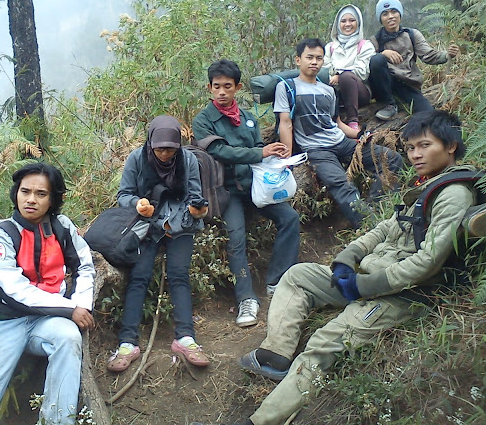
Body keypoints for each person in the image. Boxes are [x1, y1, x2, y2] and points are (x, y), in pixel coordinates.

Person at [193, 110, 476, 425]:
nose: (415, 154)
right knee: (298, 276)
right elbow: (386, 228)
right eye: (410, 148)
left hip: (404, 295)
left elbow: (428, 262)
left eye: (424, 145)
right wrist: (347, 256)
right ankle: (276, 354)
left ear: (451, 146)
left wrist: (365, 286)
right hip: (368, 275)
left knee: (324, 342)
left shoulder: (453, 195)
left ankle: (259, 421)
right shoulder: (429, 185)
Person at [0, 163, 95, 425]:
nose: (31, 199)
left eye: (41, 194)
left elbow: (84, 264)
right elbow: (14, 290)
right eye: (25, 191)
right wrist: (69, 309)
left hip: (46, 321)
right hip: (5, 322)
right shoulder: (3, 234)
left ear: (53, 199)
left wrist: (82, 303)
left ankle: (57, 421)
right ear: (15, 193)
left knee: (68, 338)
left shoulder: (61, 226)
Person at [192, 59, 301, 328]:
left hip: (255, 187)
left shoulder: (249, 119)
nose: (221, 92)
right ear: (209, 88)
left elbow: (259, 149)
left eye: (227, 86)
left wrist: (274, 157)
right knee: (236, 239)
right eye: (216, 86)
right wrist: (260, 152)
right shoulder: (204, 121)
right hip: (227, 191)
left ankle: (276, 280)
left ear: (237, 87)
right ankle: (246, 299)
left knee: (289, 218)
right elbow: (220, 152)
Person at [107, 115, 210, 372]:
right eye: (159, 148)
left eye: (171, 149)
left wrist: (198, 211)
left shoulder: (187, 160)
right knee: (138, 276)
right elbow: (124, 195)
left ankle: (185, 338)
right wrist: (138, 205)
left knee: (179, 275)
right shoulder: (137, 159)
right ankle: (128, 342)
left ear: (178, 146)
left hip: (181, 225)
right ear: (150, 143)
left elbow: (195, 194)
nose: (165, 154)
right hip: (148, 226)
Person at [275, 38, 403, 228]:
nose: (314, 62)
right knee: (342, 186)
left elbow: (336, 123)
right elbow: (285, 123)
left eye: (319, 58)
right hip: (317, 150)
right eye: (309, 57)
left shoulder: (328, 90)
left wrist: (359, 136)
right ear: (297, 60)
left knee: (392, 159)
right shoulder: (286, 87)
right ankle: (371, 226)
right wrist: (286, 159)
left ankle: (377, 210)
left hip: (342, 143)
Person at [368, 0, 460, 120]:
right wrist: (382, 54)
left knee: (428, 114)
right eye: (385, 14)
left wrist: (447, 55)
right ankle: (388, 104)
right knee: (376, 59)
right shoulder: (374, 40)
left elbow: (428, 55)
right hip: (385, 85)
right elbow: (366, 62)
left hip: (407, 84)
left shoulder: (412, 34)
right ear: (380, 19)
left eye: (394, 11)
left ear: (400, 13)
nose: (390, 16)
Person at [323, 4, 376, 130]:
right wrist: (334, 76)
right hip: (335, 91)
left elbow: (363, 72)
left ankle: (353, 121)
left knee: (346, 77)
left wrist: (340, 74)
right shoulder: (330, 47)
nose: (347, 24)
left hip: (359, 92)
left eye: (352, 20)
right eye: (343, 21)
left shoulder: (365, 46)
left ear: (358, 23)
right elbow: (324, 68)